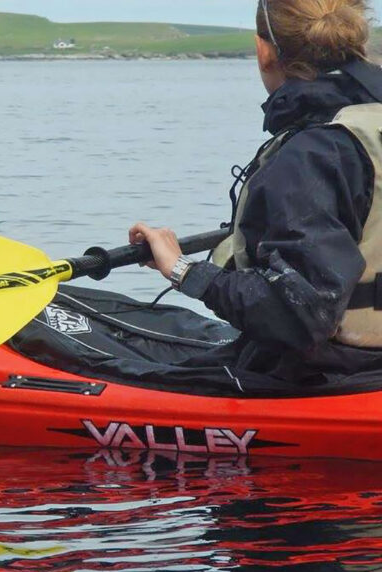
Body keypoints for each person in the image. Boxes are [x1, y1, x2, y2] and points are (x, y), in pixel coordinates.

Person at [129, 0, 382, 383]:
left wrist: (183, 270)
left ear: (264, 51)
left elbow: (299, 316)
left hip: (334, 373)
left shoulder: (312, 154)